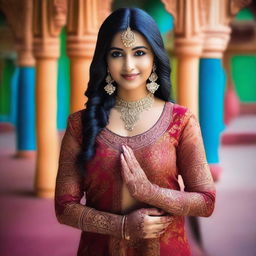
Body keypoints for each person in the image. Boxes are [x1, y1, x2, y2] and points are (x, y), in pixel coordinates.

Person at [54, 7, 216, 256]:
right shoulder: (81, 124)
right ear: (105, 60)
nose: (128, 65)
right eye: (117, 54)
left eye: (139, 53)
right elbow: (64, 207)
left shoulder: (181, 121)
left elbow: (206, 201)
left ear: (154, 57)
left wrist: (150, 192)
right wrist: (122, 226)